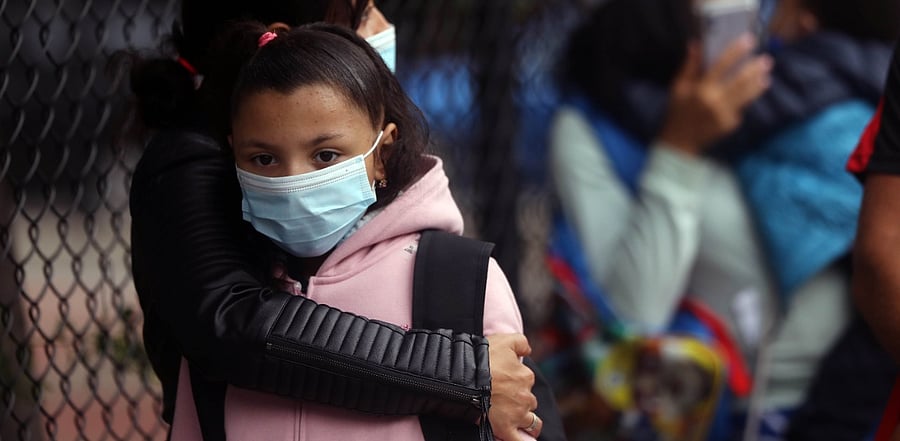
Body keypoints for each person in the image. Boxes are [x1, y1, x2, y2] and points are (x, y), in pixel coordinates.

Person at [128, 1, 544, 439]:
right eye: (360, 13)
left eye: (326, 156)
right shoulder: (196, 174)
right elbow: (233, 325)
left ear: (383, 152)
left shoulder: (456, 278)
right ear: (284, 36)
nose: (381, 25)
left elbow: (522, 400)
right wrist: (462, 372)